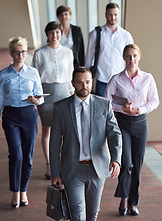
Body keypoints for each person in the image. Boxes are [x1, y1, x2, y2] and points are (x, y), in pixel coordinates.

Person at [50, 67, 122, 221]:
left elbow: (114, 134)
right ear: (73, 84)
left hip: (98, 169)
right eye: (80, 82)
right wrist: (55, 172)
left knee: (92, 214)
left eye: (88, 82)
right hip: (72, 169)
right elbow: (54, 142)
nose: (84, 86)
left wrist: (116, 159)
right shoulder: (61, 107)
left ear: (92, 82)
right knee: (77, 215)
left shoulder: (104, 105)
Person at [104, 44, 159, 216]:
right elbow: (107, 102)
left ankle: (133, 202)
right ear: (123, 58)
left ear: (139, 57)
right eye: (128, 56)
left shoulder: (148, 78)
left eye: (134, 56)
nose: (131, 60)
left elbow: (154, 101)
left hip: (141, 123)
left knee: (137, 165)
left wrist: (139, 110)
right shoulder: (116, 79)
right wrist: (122, 108)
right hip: (122, 123)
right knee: (126, 163)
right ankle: (124, 197)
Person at [0, 37, 43, 208]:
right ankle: (15, 191)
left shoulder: (33, 72)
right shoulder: (3, 74)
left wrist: (35, 100)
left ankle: (23, 190)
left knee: (27, 156)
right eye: (17, 52)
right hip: (11, 116)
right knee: (16, 155)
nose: (20, 55)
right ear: (11, 53)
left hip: (29, 115)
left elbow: (40, 98)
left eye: (23, 52)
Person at [32, 21, 74, 180]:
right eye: (51, 32)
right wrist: (36, 95)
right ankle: (49, 163)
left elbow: (70, 75)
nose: (55, 35)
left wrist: (72, 93)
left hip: (64, 93)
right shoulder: (39, 53)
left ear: (61, 33)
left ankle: (62, 163)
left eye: (57, 32)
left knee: (64, 132)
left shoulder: (68, 53)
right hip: (46, 94)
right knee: (47, 129)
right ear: (47, 34)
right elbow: (35, 76)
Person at [85, 3, 134, 97]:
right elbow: (89, 57)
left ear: (119, 15)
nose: (113, 17)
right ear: (105, 15)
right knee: (101, 109)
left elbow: (131, 57)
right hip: (101, 79)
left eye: (115, 15)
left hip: (121, 80)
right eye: (110, 14)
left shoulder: (126, 35)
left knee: (120, 109)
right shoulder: (95, 34)